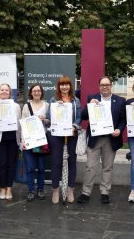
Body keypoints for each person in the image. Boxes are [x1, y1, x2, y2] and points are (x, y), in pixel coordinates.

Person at [77, 76, 126, 204]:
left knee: (107, 167)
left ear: (111, 86)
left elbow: (123, 119)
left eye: (107, 84)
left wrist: (119, 130)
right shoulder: (92, 98)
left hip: (111, 139)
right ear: (99, 86)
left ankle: (105, 192)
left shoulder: (120, 101)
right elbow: (83, 116)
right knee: (90, 167)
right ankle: (85, 192)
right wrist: (89, 106)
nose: (105, 87)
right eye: (102, 85)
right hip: (95, 138)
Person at [47, 75, 81, 204]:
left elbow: (78, 117)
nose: (64, 86)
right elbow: (49, 117)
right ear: (59, 86)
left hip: (71, 135)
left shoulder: (75, 100)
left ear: (70, 86)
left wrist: (74, 126)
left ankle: (70, 190)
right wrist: (57, 107)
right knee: (56, 162)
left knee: (72, 162)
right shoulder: (53, 100)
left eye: (67, 84)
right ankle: (55, 190)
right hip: (56, 135)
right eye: (62, 84)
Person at [0, 83, 21, 201]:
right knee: (2, 164)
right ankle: (2, 188)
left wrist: (20, 140)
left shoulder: (16, 106)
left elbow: (19, 123)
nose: (4, 91)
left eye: (7, 90)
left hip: (13, 139)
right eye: (2, 90)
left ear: (10, 93)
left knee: (11, 165)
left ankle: (9, 188)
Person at [21, 83, 49, 201]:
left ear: (41, 92)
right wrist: (22, 141)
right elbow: (22, 124)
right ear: (31, 93)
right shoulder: (26, 106)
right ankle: (31, 190)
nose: (37, 93)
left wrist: (45, 120)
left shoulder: (47, 105)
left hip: (42, 141)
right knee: (30, 168)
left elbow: (50, 122)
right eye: (34, 91)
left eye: (39, 91)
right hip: (29, 141)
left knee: (41, 168)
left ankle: (40, 189)